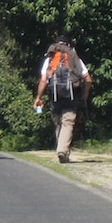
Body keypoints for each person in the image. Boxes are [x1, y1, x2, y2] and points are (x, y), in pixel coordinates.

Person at [33, 34, 93, 163]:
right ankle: (62, 151)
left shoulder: (49, 58)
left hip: (54, 95)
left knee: (58, 122)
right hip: (71, 94)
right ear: (69, 45)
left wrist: (38, 97)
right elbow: (88, 79)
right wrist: (85, 93)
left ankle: (62, 150)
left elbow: (43, 80)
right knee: (68, 122)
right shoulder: (73, 56)